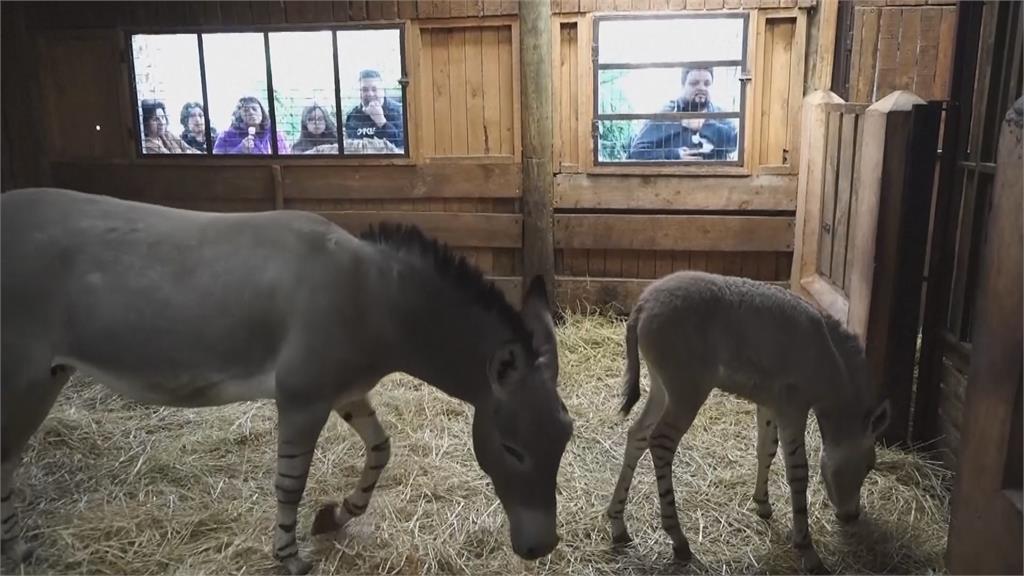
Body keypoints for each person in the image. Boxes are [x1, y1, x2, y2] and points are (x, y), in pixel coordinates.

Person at [627, 67, 738, 161]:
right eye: (694, 83)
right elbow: (637, 151)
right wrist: (675, 155)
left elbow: (734, 144)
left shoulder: (720, 115)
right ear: (683, 85)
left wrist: (704, 126)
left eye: (707, 84)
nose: (702, 88)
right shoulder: (665, 114)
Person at [344, 69, 404, 151]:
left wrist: (381, 121)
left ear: (383, 90)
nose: (370, 94)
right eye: (364, 90)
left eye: (374, 89)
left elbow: (402, 145)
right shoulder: (352, 116)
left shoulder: (399, 111)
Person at [213, 96, 289, 155]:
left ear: (262, 112)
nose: (251, 113)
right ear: (239, 115)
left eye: (254, 109)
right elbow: (216, 164)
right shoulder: (226, 136)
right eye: (246, 110)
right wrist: (240, 150)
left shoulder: (276, 135)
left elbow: (285, 160)